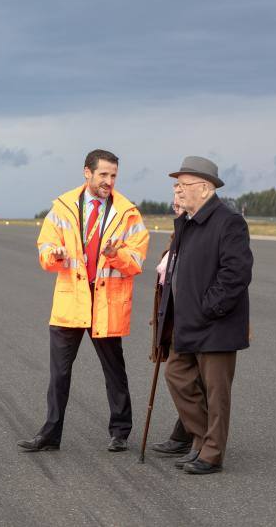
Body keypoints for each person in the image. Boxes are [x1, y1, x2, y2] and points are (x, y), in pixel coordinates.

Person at [18, 149, 149, 453]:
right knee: (59, 373)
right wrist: (55, 255)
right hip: (72, 300)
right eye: (103, 174)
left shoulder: (128, 212)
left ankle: (120, 432)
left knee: (114, 370)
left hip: (106, 301)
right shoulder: (62, 208)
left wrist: (118, 255)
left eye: (114, 175)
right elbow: (45, 249)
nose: (109, 181)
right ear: (87, 173)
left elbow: (137, 260)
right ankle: (50, 433)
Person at [155, 156, 253, 474]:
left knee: (216, 392)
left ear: (206, 188)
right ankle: (199, 439)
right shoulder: (186, 222)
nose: (178, 191)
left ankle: (211, 454)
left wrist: (209, 307)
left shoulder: (228, 221)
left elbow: (236, 273)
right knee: (177, 376)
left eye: (184, 185)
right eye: (176, 185)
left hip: (216, 324)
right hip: (188, 323)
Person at [149, 196, 194, 456]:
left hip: (195, 318)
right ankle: (186, 434)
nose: (175, 206)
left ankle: (197, 436)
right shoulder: (179, 231)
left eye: (180, 200)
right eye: (173, 203)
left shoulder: (196, 231)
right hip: (175, 317)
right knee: (183, 376)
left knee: (186, 377)